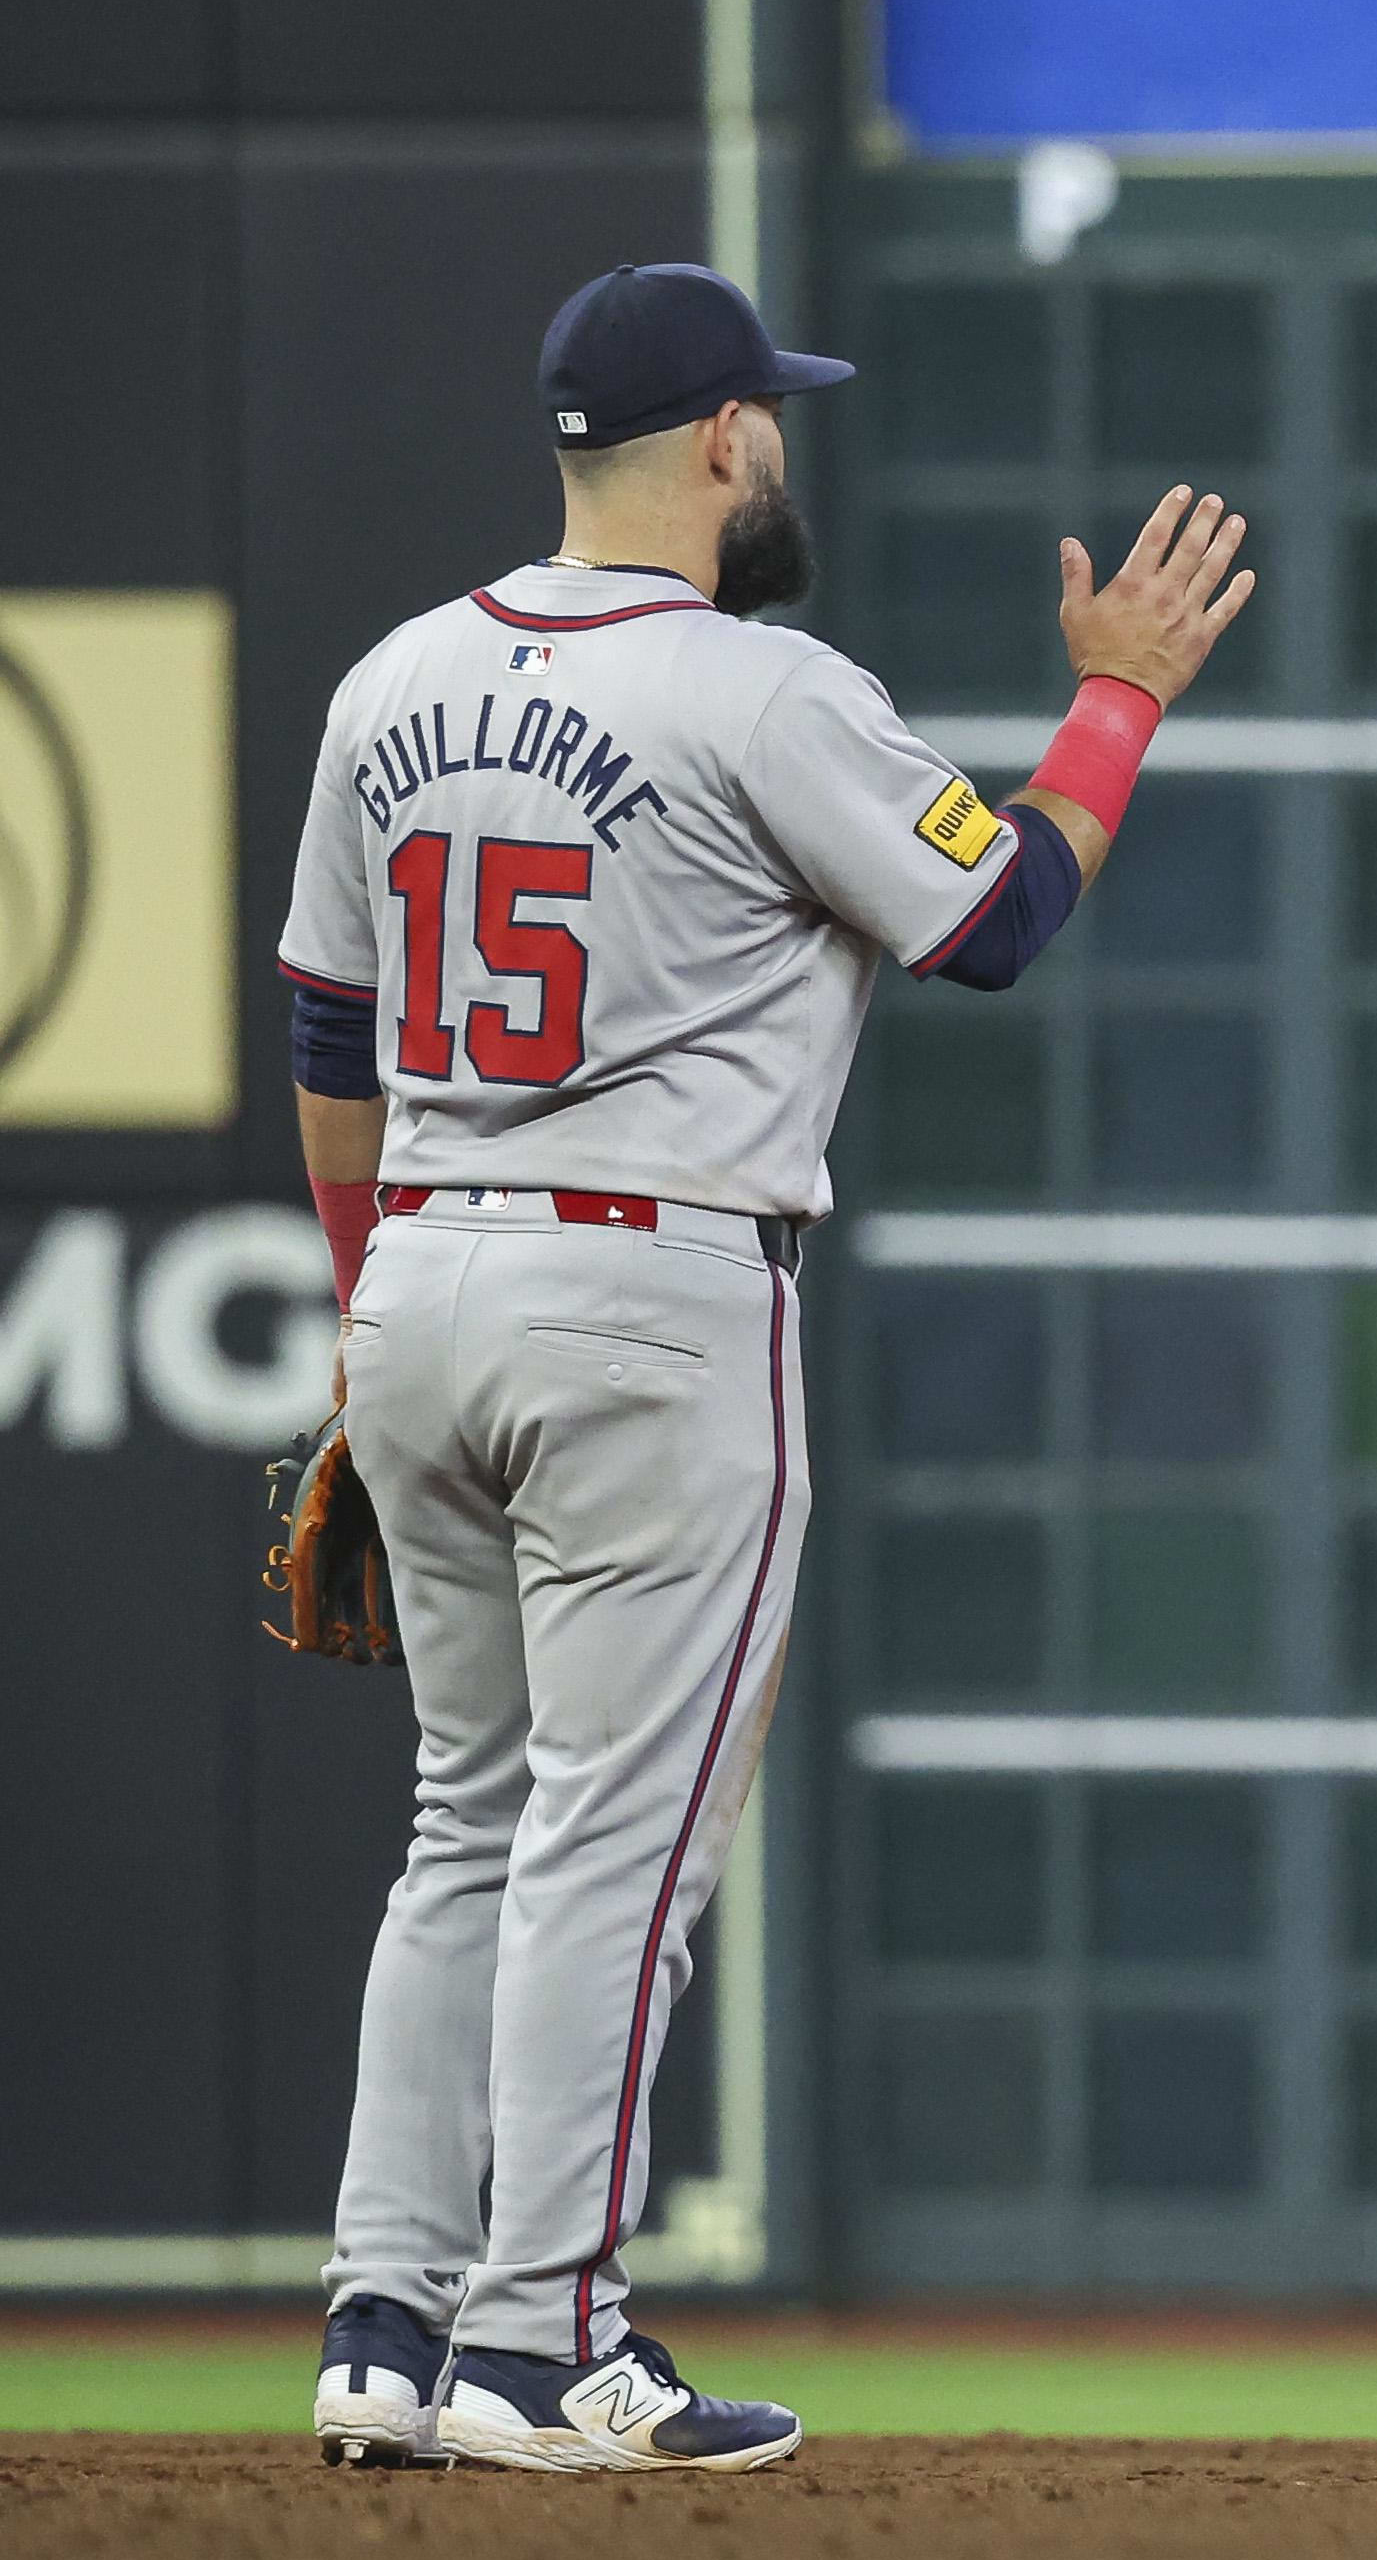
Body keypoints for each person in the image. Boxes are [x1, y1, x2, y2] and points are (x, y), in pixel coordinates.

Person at [282, 262, 1254, 2473]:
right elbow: (997, 918)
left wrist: (361, 1330)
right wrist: (1115, 704)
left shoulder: (390, 683)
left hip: (422, 1264)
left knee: (468, 1827)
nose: (782, 447)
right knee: (616, 1844)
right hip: (649, 1288)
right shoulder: (761, 687)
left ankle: (380, 2320)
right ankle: (545, 2343)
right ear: (723, 440)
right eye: (773, 418)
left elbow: (334, 1038)